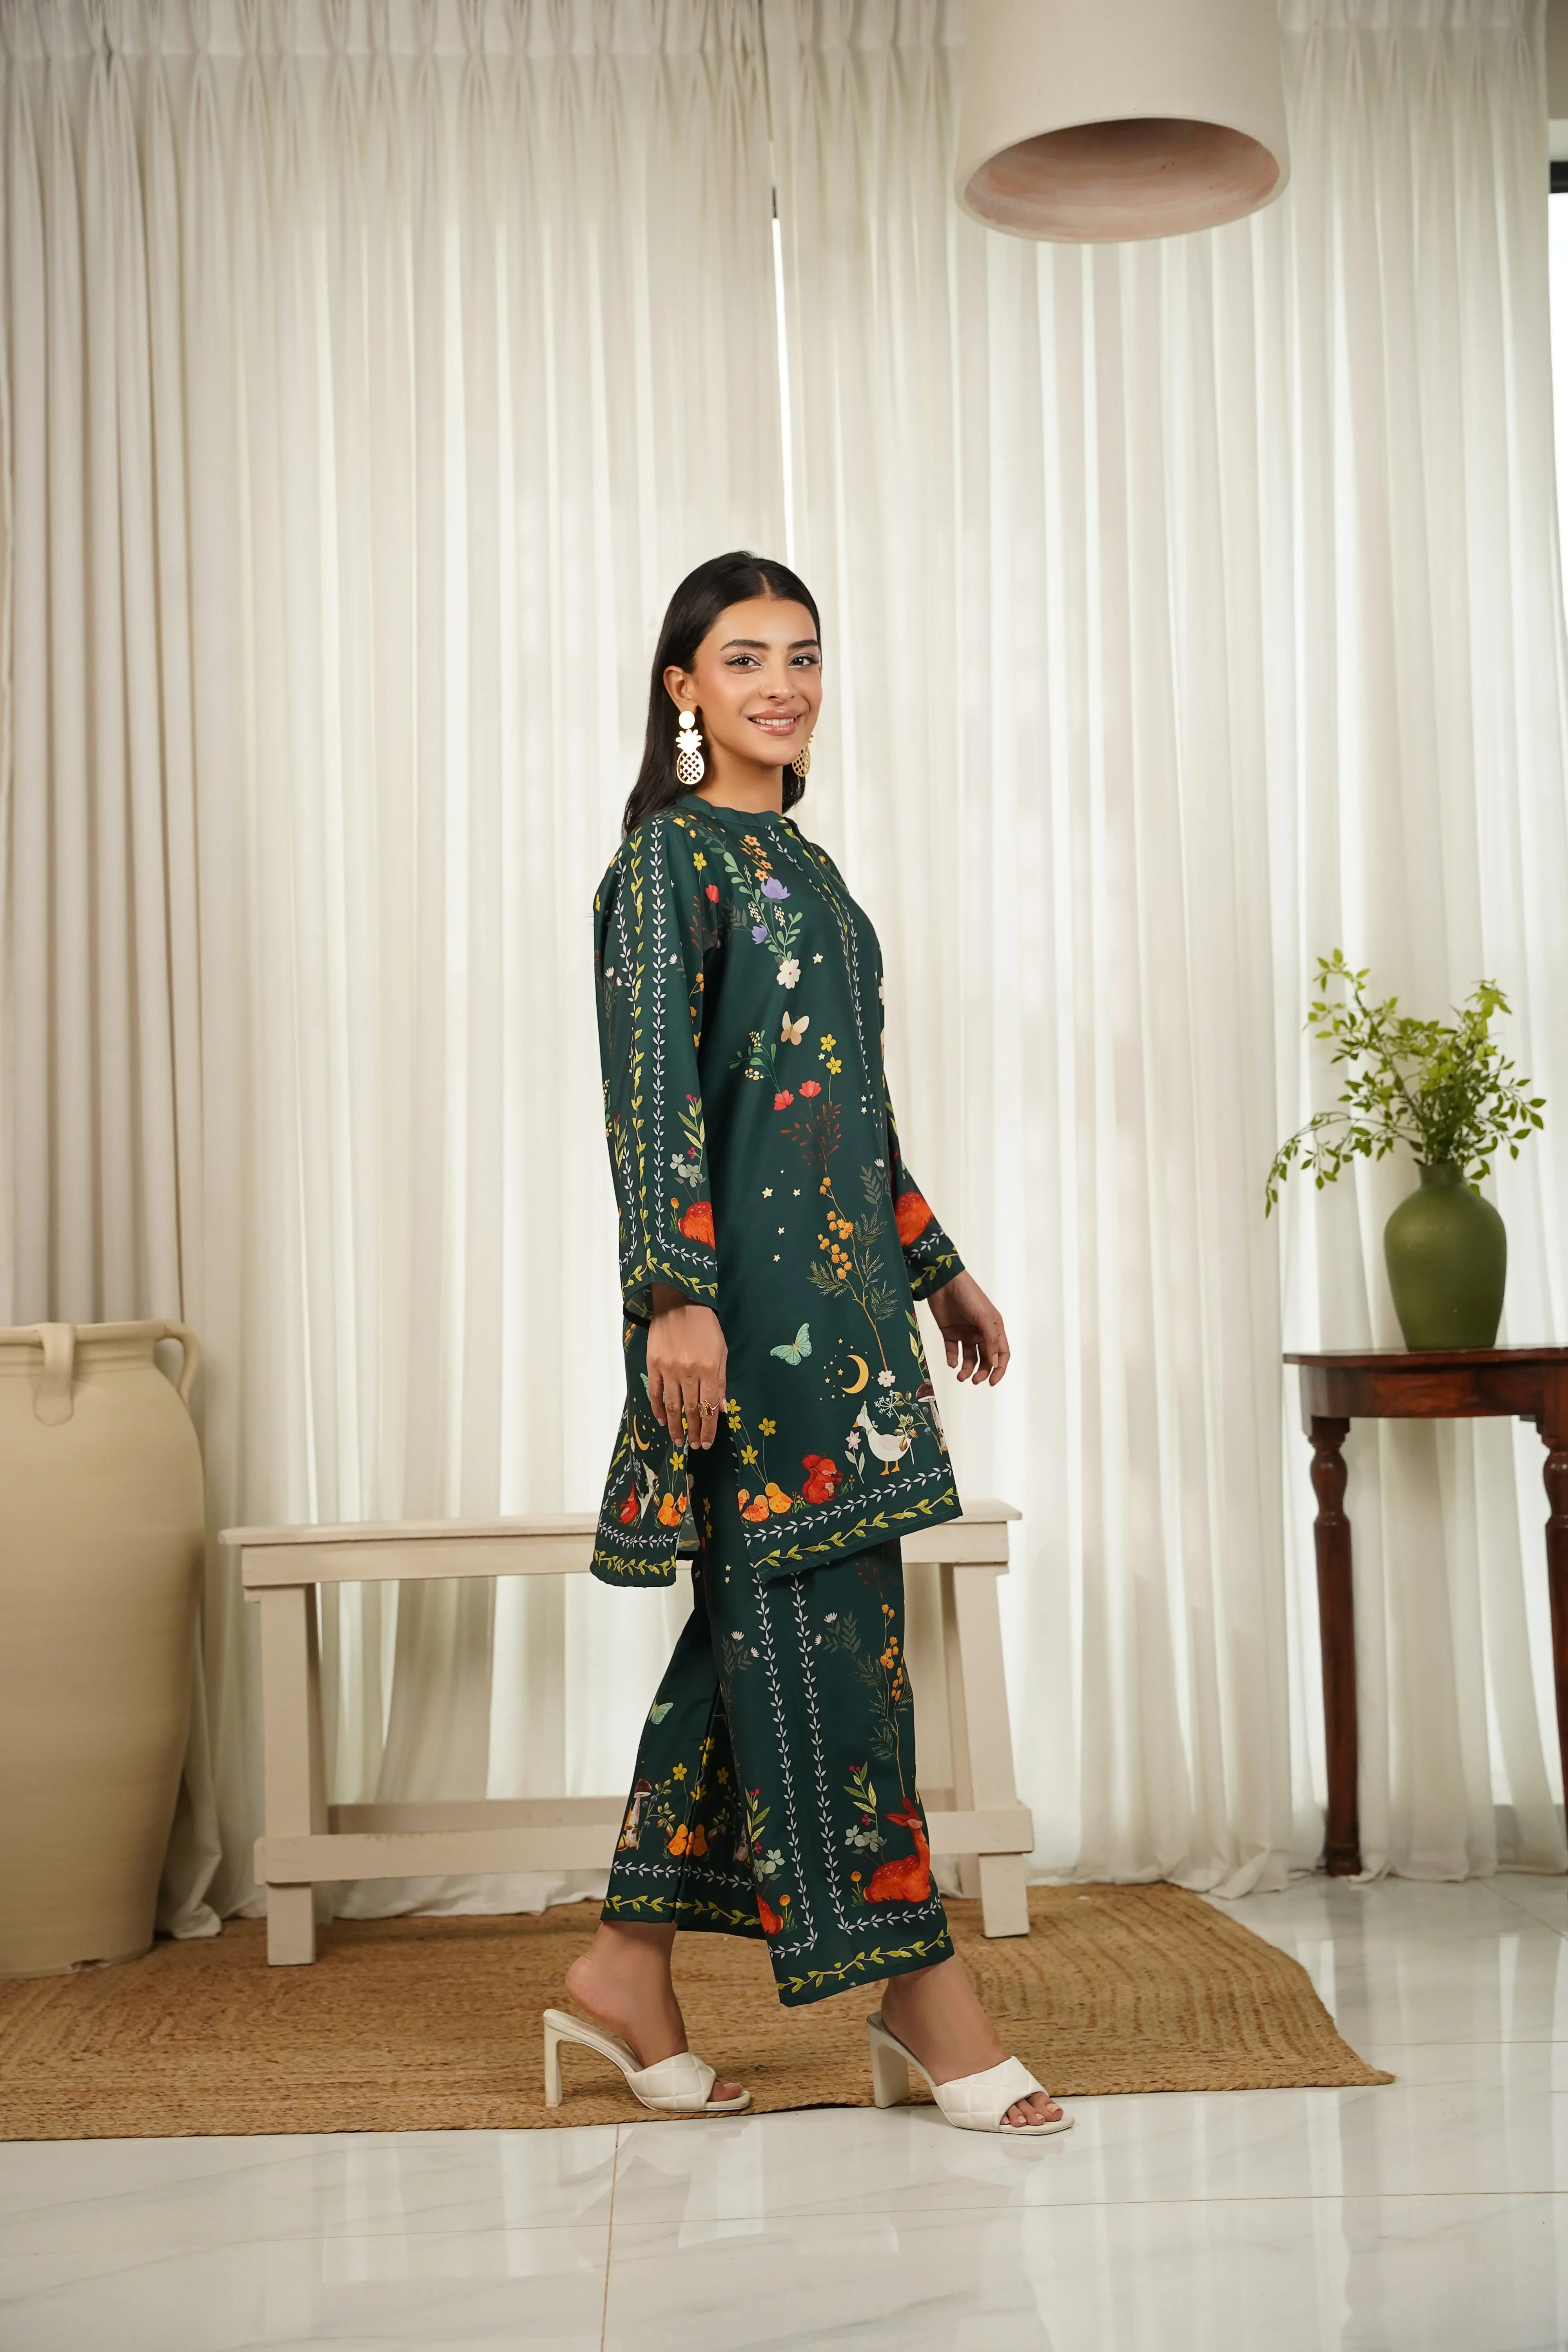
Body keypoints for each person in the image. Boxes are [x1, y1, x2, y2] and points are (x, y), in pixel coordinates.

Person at [542, 552, 1069, 2136]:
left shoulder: (817, 879)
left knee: (766, 1637)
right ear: (682, 687)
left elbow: (848, 1109)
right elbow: (653, 1100)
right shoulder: (665, 866)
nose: (782, 684)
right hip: (744, 1330)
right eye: (745, 657)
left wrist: (937, 1267)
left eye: (804, 656)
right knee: (835, 1651)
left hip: (852, 1328)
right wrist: (674, 1294)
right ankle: (922, 1995)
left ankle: (625, 1970)